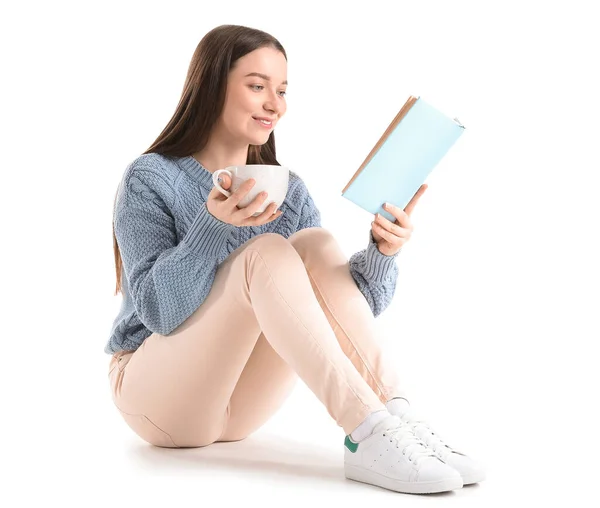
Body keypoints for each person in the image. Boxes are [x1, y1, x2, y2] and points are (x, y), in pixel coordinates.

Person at [106, 24, 485, 495]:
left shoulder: (289, 190)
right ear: (211, 85)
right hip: (157, 397)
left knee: (315, 244)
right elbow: (159, 314)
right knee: (266, 251)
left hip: (238, 406)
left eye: (281, 90)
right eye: (257, 86)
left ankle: (396, 416)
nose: (275, 104)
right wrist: (213, 229)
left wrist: (382, 253)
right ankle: (365, 430)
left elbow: (337, 320)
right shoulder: (151, 177)